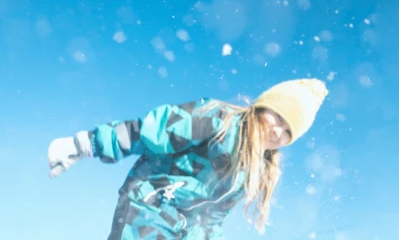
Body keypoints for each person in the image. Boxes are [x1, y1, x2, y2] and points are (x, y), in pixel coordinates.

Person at [47, 78, 329, 240]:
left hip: (180, 230)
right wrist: (85, 144)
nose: (278, 130)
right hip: (149, 205)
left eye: (288, 131)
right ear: (263, 106)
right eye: (278, 117)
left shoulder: (252, 172)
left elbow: (213, 217)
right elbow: (150, 132)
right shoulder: (219, 120)